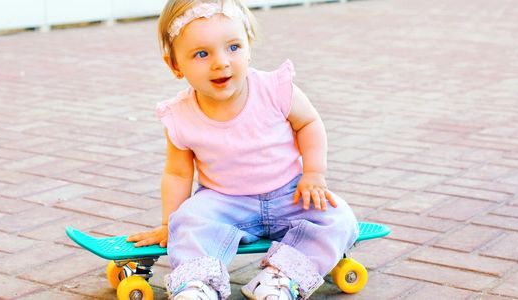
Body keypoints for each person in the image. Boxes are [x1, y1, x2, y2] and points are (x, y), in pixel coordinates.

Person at [127, 0, 359, 299]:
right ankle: (198, 283)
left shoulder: (275, 88)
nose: (221, 62)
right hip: (223, 202)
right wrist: (167, 224)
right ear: (175, 65)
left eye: (233, 47)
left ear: (249, 47)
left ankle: (280, 278)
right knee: (189, 220)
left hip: (290, 193)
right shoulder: (180, 115)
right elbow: (177, 173)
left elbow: (309, 123)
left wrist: (314, 172)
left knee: (338, 218)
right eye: (202, 53)